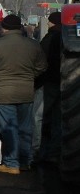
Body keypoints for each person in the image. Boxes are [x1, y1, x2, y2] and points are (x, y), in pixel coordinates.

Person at [0, 14, 47, 174]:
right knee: (25, 127)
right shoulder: (33, 45)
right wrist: (29, 77)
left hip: (3, 92)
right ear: (20, 27)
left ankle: (11, 163)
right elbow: (42, 67)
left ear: (3, 27)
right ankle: (25, 161)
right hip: (26, 91)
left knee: (8, 127)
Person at [34, 11, 62, 164]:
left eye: (50, 21)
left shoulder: (50, 38)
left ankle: (36, 150)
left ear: (52, 23)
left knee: (37, 116)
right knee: (58, 118)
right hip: (64, 83)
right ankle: (55, 152)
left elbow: (41, 61)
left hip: (48, 83)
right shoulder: (68, 37)